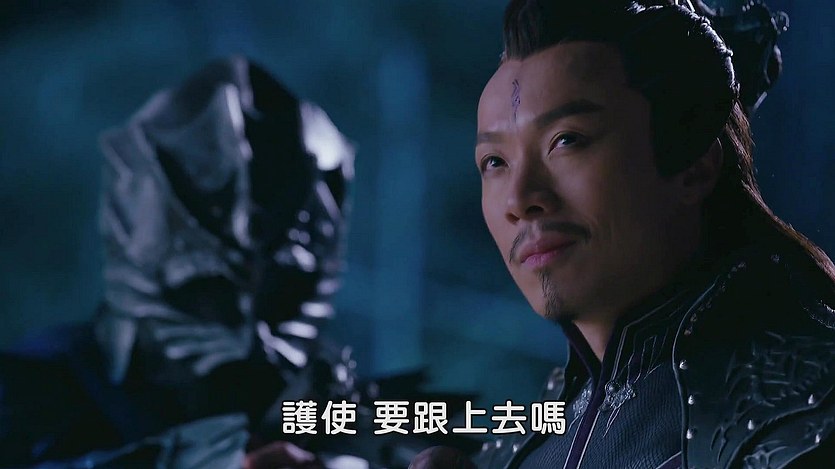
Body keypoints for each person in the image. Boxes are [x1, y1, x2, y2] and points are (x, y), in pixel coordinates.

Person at [418, 1, 835, 468]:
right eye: (495, 162)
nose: (519, 199)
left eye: (566, 140)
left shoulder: (803, 417)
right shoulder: (530, 441)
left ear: (694, 167)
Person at [0, 56, 358, 468]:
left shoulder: (327, 416)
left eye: (283, 291)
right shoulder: (27, 392)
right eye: (211, 291)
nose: (253, 333)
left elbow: (397, 428)